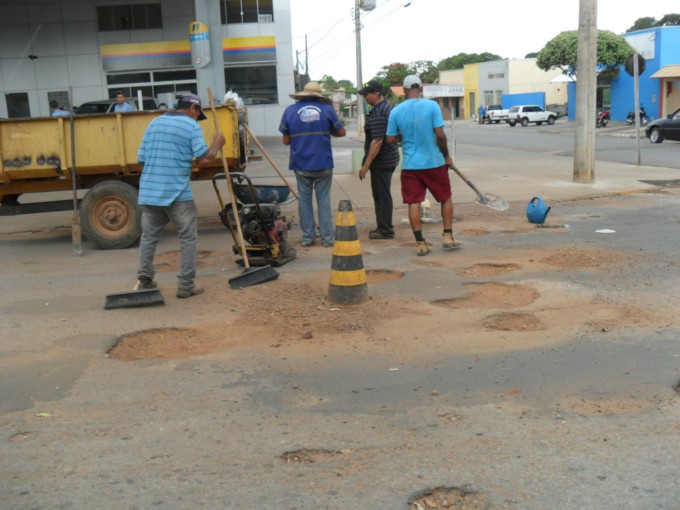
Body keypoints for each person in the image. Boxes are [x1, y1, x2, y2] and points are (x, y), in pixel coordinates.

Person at [135, 94, 225, 298]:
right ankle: (186, 286)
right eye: (197, 114)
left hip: (150, 192)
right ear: (192, 108)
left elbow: (140, 160)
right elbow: (203, 159)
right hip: (177, 192)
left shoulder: (154, 123)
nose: (196, 118)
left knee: (149, 237)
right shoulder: (190, 126)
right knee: (187, 238)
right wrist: (217, 144)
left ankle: (145, 279)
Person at [386, 74, 461, 256]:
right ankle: (447, 236)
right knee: (445, 198)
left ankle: (420, 243)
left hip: (411, 166)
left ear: (404, 91)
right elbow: (440, 135)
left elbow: (389, 139)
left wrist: (402, 137)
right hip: (434, 162)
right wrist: (447, 157)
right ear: (420, 89)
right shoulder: (432, 106)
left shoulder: (395, 111)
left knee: (413, 203)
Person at [279, 81, 346, 247]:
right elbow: (342, 132)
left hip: (301, 164)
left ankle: (308, 238)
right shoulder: (327, 110)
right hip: (323, 163)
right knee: (323, 201)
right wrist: (326, 129)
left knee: (304, 201)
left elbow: (286, 141)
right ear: (318, 96)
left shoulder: (290, 111)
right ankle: (328, 239)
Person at [357, 79, 400, 240]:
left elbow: (377, 141)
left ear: (376, 93)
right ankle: (384, 225)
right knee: (383, 194)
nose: (365, 98)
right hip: (389, 158)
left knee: (381, 195)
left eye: (367, 94)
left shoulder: (379, 112)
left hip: (382, 161)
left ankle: (385, 230)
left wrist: (366, 165)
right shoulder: (387, 106)